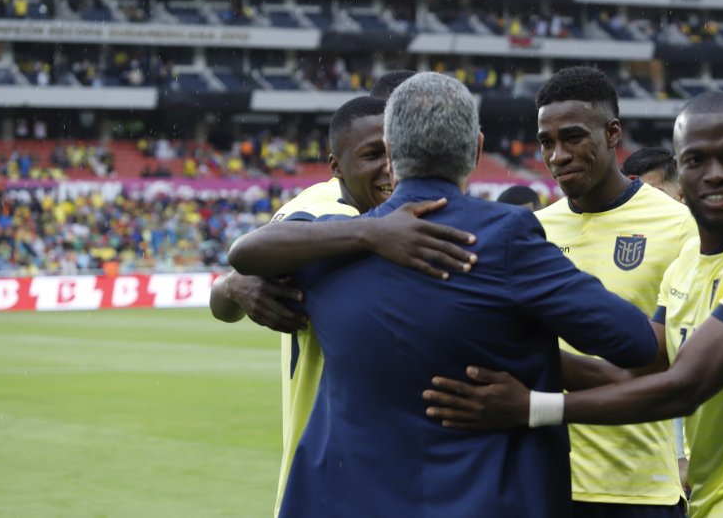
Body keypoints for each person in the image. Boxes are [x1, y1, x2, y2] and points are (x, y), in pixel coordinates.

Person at [230, 73, 659, 517]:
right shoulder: (505, 238)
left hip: (346, 500)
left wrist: (364, 234)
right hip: (487, 501)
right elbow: (635, 342)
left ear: (392, 154)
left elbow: (246, 254)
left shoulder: (323, 250)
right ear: (476, 149)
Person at [423, 92, 723, 518]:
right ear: (679, 175)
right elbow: (640, 367)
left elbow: (684, 386)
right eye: (696, 161)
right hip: (717, 497)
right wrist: (516, 353)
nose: (715, 174)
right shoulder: (690, 260)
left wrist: (533, 406)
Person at [210, 96, 475, 513]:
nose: (391, 166)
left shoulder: (427, 214)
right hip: (328, 477)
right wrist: (236, 283)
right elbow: (236, 273)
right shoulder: (319, 211)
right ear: (338, 165)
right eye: (373, 153)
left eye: (397, 151)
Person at [534, 67, 695, 517]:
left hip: (639, 488)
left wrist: (540, 361)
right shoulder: (535, 232)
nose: (558, 155)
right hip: (547, 480)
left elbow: (663, 364)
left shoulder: (677, 225)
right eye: (547, 142)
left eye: (572, 138)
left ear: (612, 134)